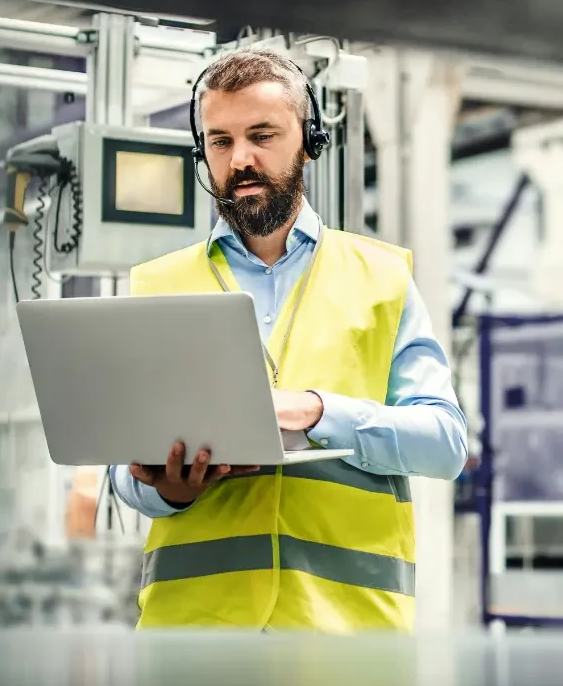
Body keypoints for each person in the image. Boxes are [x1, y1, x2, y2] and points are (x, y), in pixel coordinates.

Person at [110, 47, 467, 634]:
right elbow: (120, 472)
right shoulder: (157, 285)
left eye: (261, 135)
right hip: (194, 645)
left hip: (347, 643)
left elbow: (445, 442)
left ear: (307, 139)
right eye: (220, 142)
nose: (240, 159)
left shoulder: (382, 278)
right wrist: (166, 490)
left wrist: (320, 411)